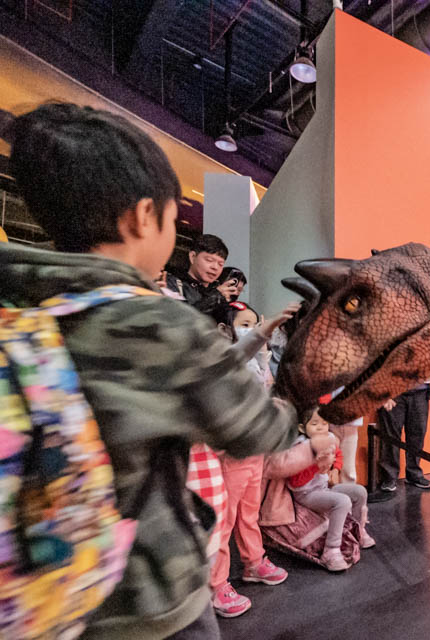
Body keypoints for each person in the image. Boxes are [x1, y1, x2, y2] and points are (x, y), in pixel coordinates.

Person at [1, 103, 299, 640]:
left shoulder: (18, 305)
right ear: (143, 216)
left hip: (37, 605)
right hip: (144, 603)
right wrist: (302, 391)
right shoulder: (155, 321)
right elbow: (258, 429)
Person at [206, 300, 299, 618]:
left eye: (254, 322)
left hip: (254, 449)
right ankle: (216, 585)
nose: (253, 327)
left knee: (249, 512)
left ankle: (254, 563)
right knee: (224, 520)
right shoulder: (220, 361)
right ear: (223, 329)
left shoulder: (257, 362)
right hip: (231, 452)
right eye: (245, 323)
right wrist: (264, 330)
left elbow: (266, 390)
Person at [285, 407, 375, 571]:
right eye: (314, 424)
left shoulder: (329, 439)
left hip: (323, 488)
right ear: (302, 428)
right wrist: (316, 466)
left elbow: (338, 454)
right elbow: (295, 482)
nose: (320, 427)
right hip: (306, 493)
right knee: (342, 501)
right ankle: (331, 550)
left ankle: (358, 531)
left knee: (359, 492)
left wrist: (335, 469)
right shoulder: (300, 447)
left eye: (324, 423)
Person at [371, 380, 430, 502]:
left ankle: (414, 473)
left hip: (421, 390)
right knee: (390, 436)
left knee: (418, 433)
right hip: (393, 391)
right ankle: (389, 476)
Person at [165, 234, 236, 312]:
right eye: (209, 260)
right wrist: (215, 297)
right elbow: (180, 318)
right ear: (192, 257)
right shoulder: (172, 283)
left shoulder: (218, 290)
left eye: (220, 264)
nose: (215, 267)